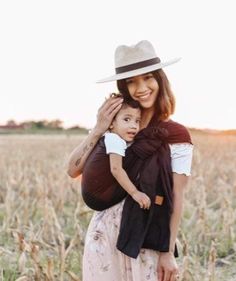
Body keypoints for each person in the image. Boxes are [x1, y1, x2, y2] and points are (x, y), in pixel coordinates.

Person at [67, 40, 193, 281]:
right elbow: (73, 170)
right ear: (122, 87)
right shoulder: (115, 127)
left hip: (146, 236)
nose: (141, 87)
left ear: (160, 79)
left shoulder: (176, 135)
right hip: (104, 235)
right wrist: (98, 128)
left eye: (148, 78)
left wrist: (167, 252)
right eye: (131, 81)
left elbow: (177, 197)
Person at [81, 98, 151, 211]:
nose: (133, 125)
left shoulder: (107, 136)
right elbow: (116, 169)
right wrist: (135, 193)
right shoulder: (115, 140)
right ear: (111, 124)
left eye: (137, 121)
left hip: (91, 195)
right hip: (100, 197)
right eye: (127, 119)